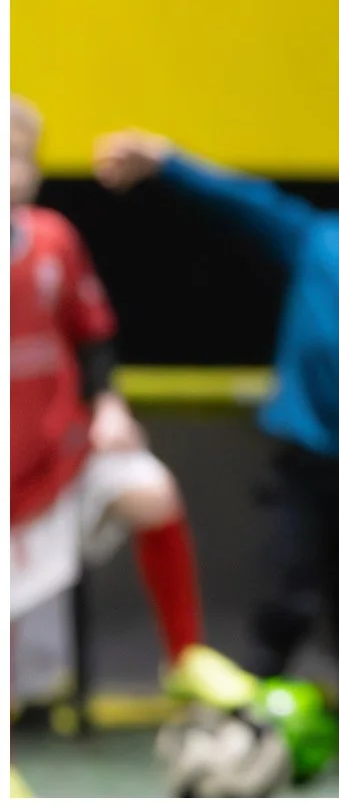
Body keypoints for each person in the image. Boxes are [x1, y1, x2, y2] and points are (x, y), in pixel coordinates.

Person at [92, 126, 339, 775]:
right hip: (305, 467)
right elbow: (243, 199)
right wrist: (167, 160)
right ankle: (243, 717)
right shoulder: (322, 243)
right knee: (284, 595)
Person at [9, 97, 209, 683]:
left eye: (19, 156)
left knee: (152, 492)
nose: (9, 168)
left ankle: (186, 663)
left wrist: (110, 406)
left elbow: (92, 335)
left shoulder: (55, 240)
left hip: (62, 449)